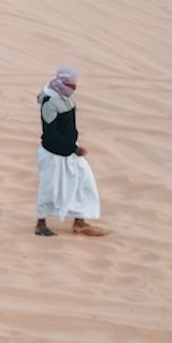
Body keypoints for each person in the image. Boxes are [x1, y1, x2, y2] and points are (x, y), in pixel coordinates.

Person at [34, 65, 108, 237]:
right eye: (71, 85)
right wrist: (73, 148)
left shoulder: (65, 97)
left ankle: (79, 222)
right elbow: (51, 134)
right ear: (62, 83)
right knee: (49, 188)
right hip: (53, 154)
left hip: (69, 152)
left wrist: (73, 147)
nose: (74, 88)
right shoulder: (50, 103)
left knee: (84, 181)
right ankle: (40, 224)